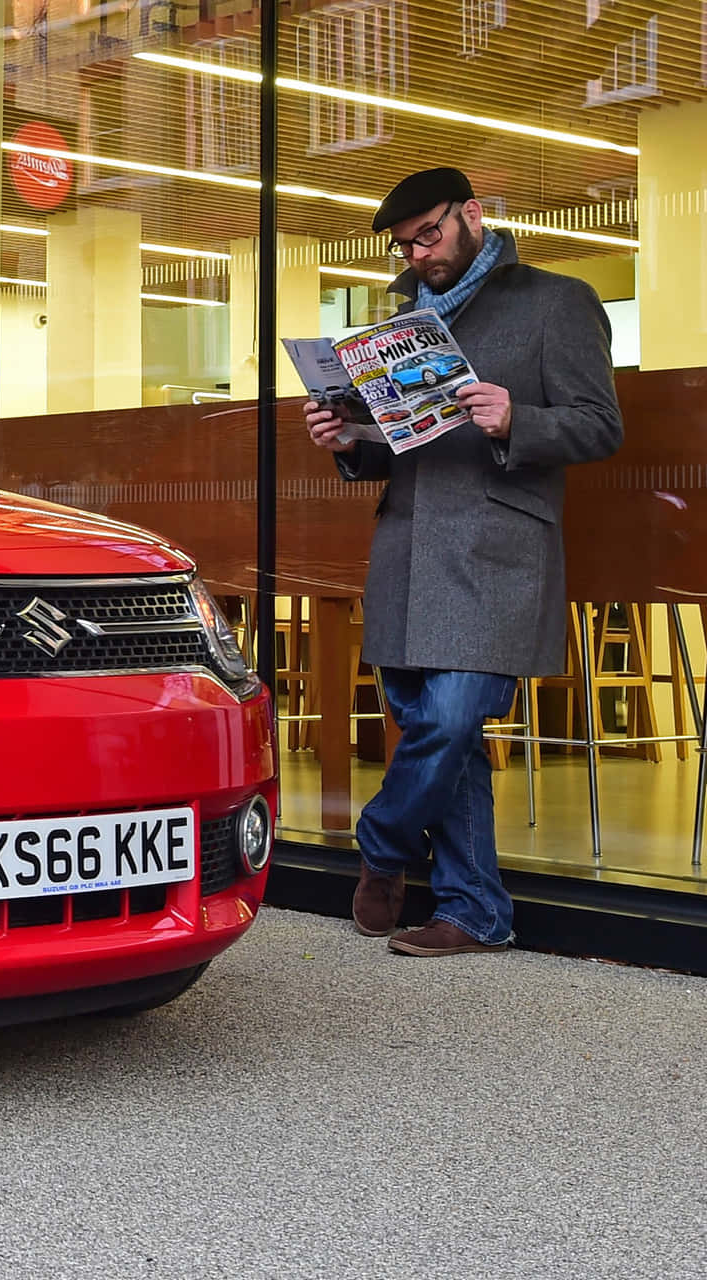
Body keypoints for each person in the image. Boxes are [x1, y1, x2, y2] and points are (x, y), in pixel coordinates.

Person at [305, 167, 623, 957]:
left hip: (496, 551)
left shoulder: (556, 300)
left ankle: (382, 846)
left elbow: (599, 426)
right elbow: (398, 448)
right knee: (435, 734)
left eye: (430, 235)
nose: (418, 254)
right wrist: (349, 442)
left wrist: (519, 415)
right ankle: (475, 911)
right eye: (405, 244)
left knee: (447, 720)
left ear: (472, 215)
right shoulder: (399, 318)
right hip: (408, 550)